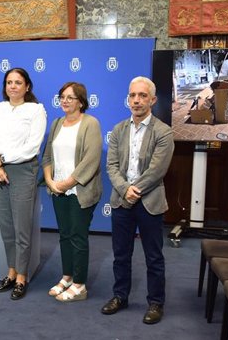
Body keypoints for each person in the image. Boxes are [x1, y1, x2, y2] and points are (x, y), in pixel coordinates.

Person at [101, 76, 174, 324]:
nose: (137, 100)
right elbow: (111, 166)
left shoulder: (163, 132)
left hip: (149, 202)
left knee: (153, 257)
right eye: (133, 95)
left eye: (142, 96)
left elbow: (157, 170)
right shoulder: (118, 130)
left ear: (152, 100)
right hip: (122, 201)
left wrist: (135, 189)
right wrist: (125, 189)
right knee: (121, 254)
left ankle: (155, 303)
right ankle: (120, 296)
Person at [0, 68, 46, 300]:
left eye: (18, 82)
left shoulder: (36, 109)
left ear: (27, 87)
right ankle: (10, 272)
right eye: (9, 82)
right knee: (7, 227)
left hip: (22, 171)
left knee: (22, 228)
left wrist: (2, 160)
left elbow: (32, 147)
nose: (13, 86)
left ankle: (22, 276)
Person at [42, 82, 103, 302]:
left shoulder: (90, 124)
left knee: (78, 236)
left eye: (70, 97)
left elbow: (91, 160)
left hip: (79, 191)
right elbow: (47, 156)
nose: (65, 101)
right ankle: (67, 276)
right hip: (57, 190)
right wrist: (50, 181)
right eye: (62, 97)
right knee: (65, 235)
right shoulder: (57, 123)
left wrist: (67, 183)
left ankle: (80, 284)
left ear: (81, 101)